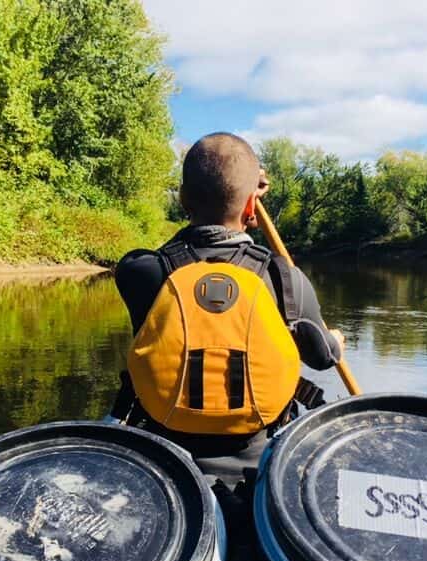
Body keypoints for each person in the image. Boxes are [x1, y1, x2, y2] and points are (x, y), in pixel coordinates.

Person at [110, 132, 345, 488]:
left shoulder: (141, 272)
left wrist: (203, 208)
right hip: (259, 463)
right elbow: (323, 357)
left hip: (164, 456)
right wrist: (337, 341)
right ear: (252, 206)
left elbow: (165, 259)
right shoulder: (284, 280)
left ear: (184, 199)